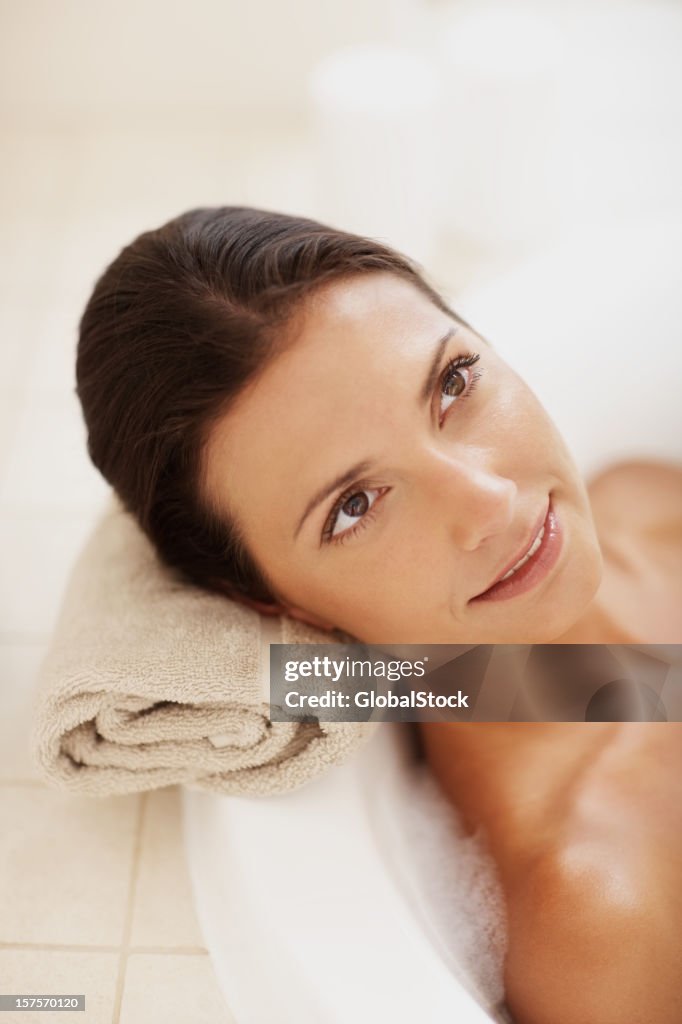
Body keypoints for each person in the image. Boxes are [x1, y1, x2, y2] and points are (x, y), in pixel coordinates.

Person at [76, 207, 682, 1023]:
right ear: (273, 600)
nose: (490, 501)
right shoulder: (603, 917)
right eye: (355, 505)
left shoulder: (642, 497)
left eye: (452, 383)